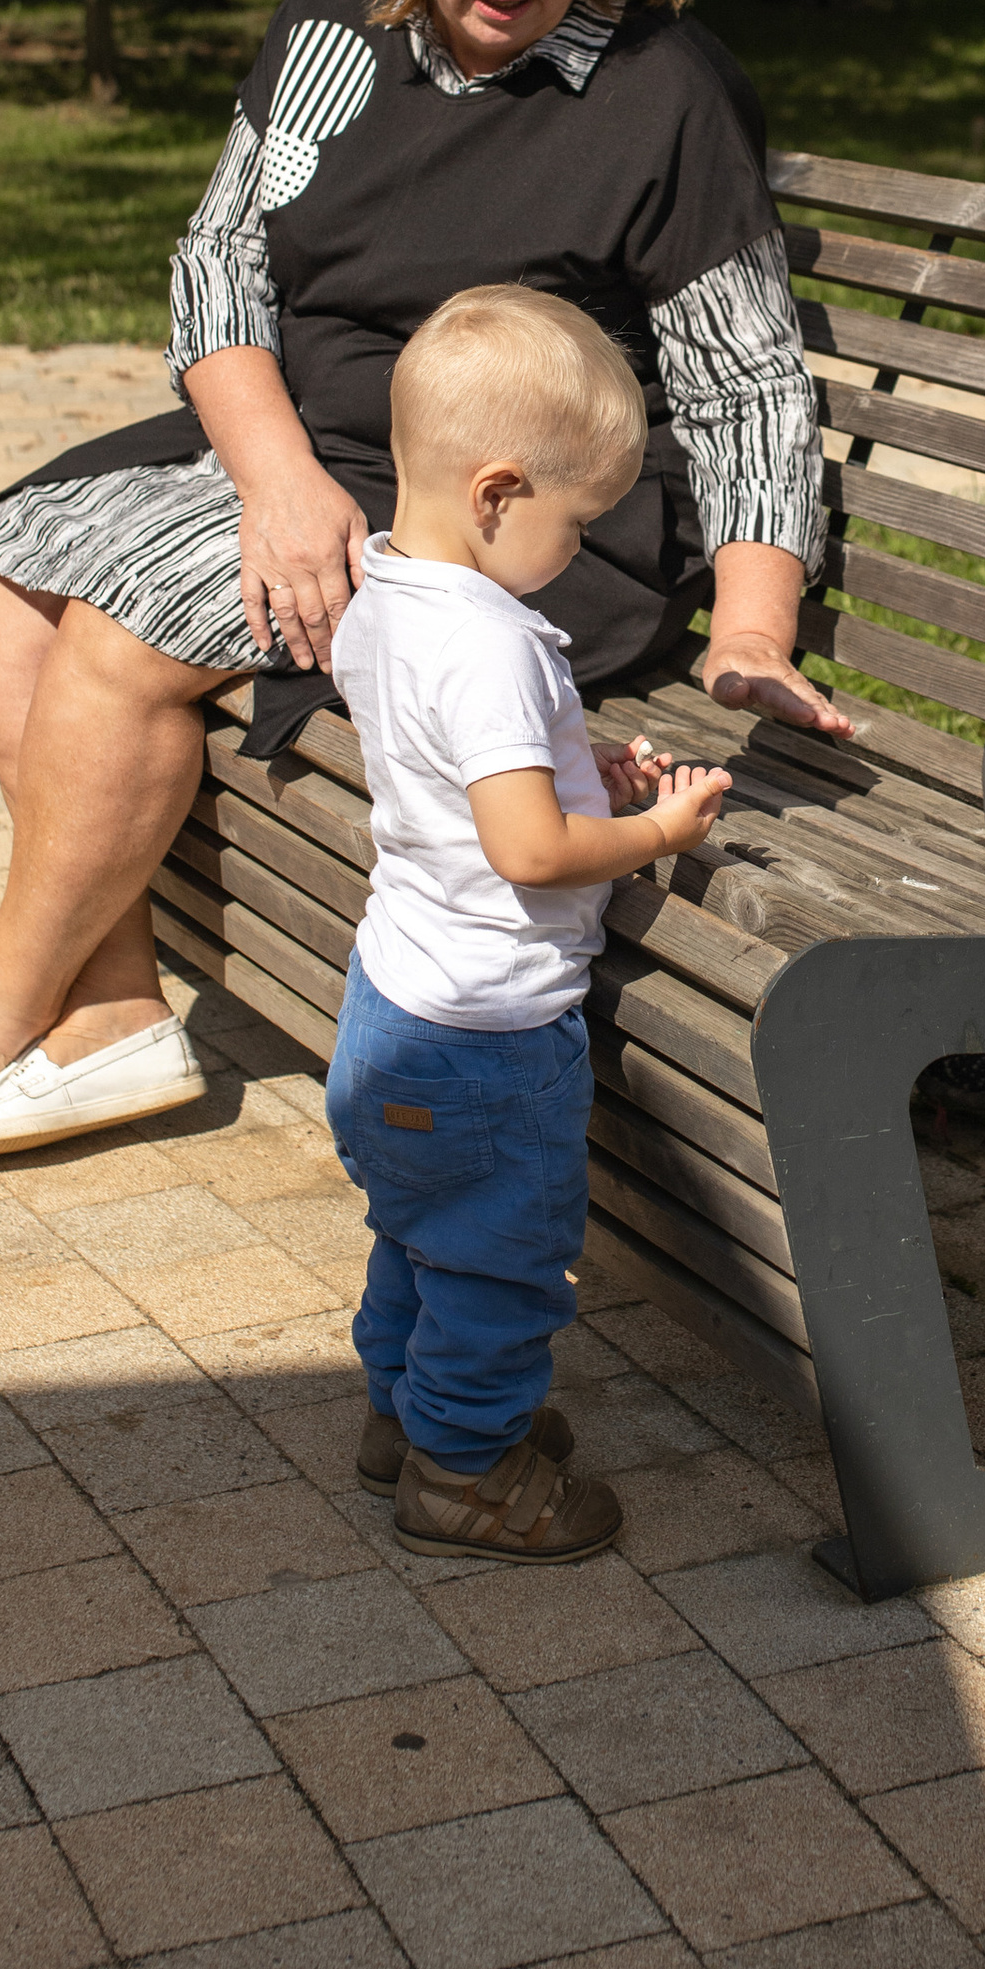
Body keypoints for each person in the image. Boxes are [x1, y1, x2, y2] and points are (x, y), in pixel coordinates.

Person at [0, 0, 848, 1168]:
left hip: (509, 510)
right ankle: (112, 1013)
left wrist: (752, 625)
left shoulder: (666, 93)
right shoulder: (335, 28)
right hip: (325, 446)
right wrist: (277, 480)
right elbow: (222, 261)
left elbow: (744, 385)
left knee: (120, 642)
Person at [327, 285, 729, 1561]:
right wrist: (655, 835)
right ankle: (466, 1472)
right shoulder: (494, 644)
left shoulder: (385, 595)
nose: (580, 550)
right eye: (575, 522)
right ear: (499, 494)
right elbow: (531, 850)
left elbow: (466, 790)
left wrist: (577, 773)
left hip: (393, 1006)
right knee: (500, 1269)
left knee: (419, 1236)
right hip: (490, 1038)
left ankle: (408, 1419)